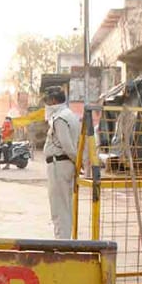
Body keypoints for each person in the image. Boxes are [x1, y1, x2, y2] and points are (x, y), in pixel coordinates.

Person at [43, 86, 81, 239]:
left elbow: (68, 147)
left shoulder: (60, 118)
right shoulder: (70, 115)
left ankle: (62, 243)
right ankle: (64, 241)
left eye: (48, 100)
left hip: (59, 165)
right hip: (64, 165)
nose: (46, 104)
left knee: (59, 208)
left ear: (53, 100)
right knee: (65, 206)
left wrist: (77, 162)